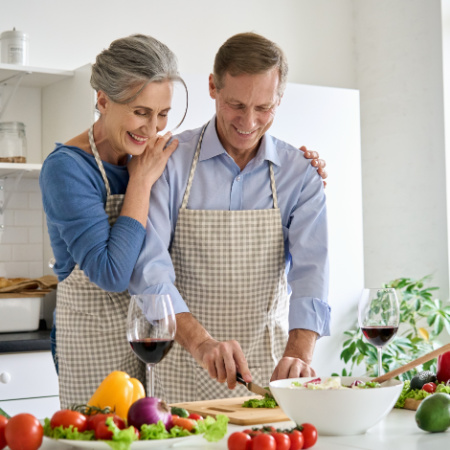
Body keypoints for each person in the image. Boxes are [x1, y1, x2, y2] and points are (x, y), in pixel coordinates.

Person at [129, 32, 330, 403]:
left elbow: (311, 272)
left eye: (264, 107)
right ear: (212, 87)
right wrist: (203, 344)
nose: (249, 122)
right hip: (182, 366)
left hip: (270, 370)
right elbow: (149, 269)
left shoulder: (299, 174)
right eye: (237, 104)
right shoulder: (169, 162)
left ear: (279, 99)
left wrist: (300, 354)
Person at [39, 34, 183, 408]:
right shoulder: (67, 168)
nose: (152, 129)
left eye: (162, 114)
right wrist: (140, 181)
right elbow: (110, 272)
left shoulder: (154, 154)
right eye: (140, 112)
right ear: (102, 100)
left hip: (154, 338)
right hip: (91, 340)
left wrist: (304, 165)